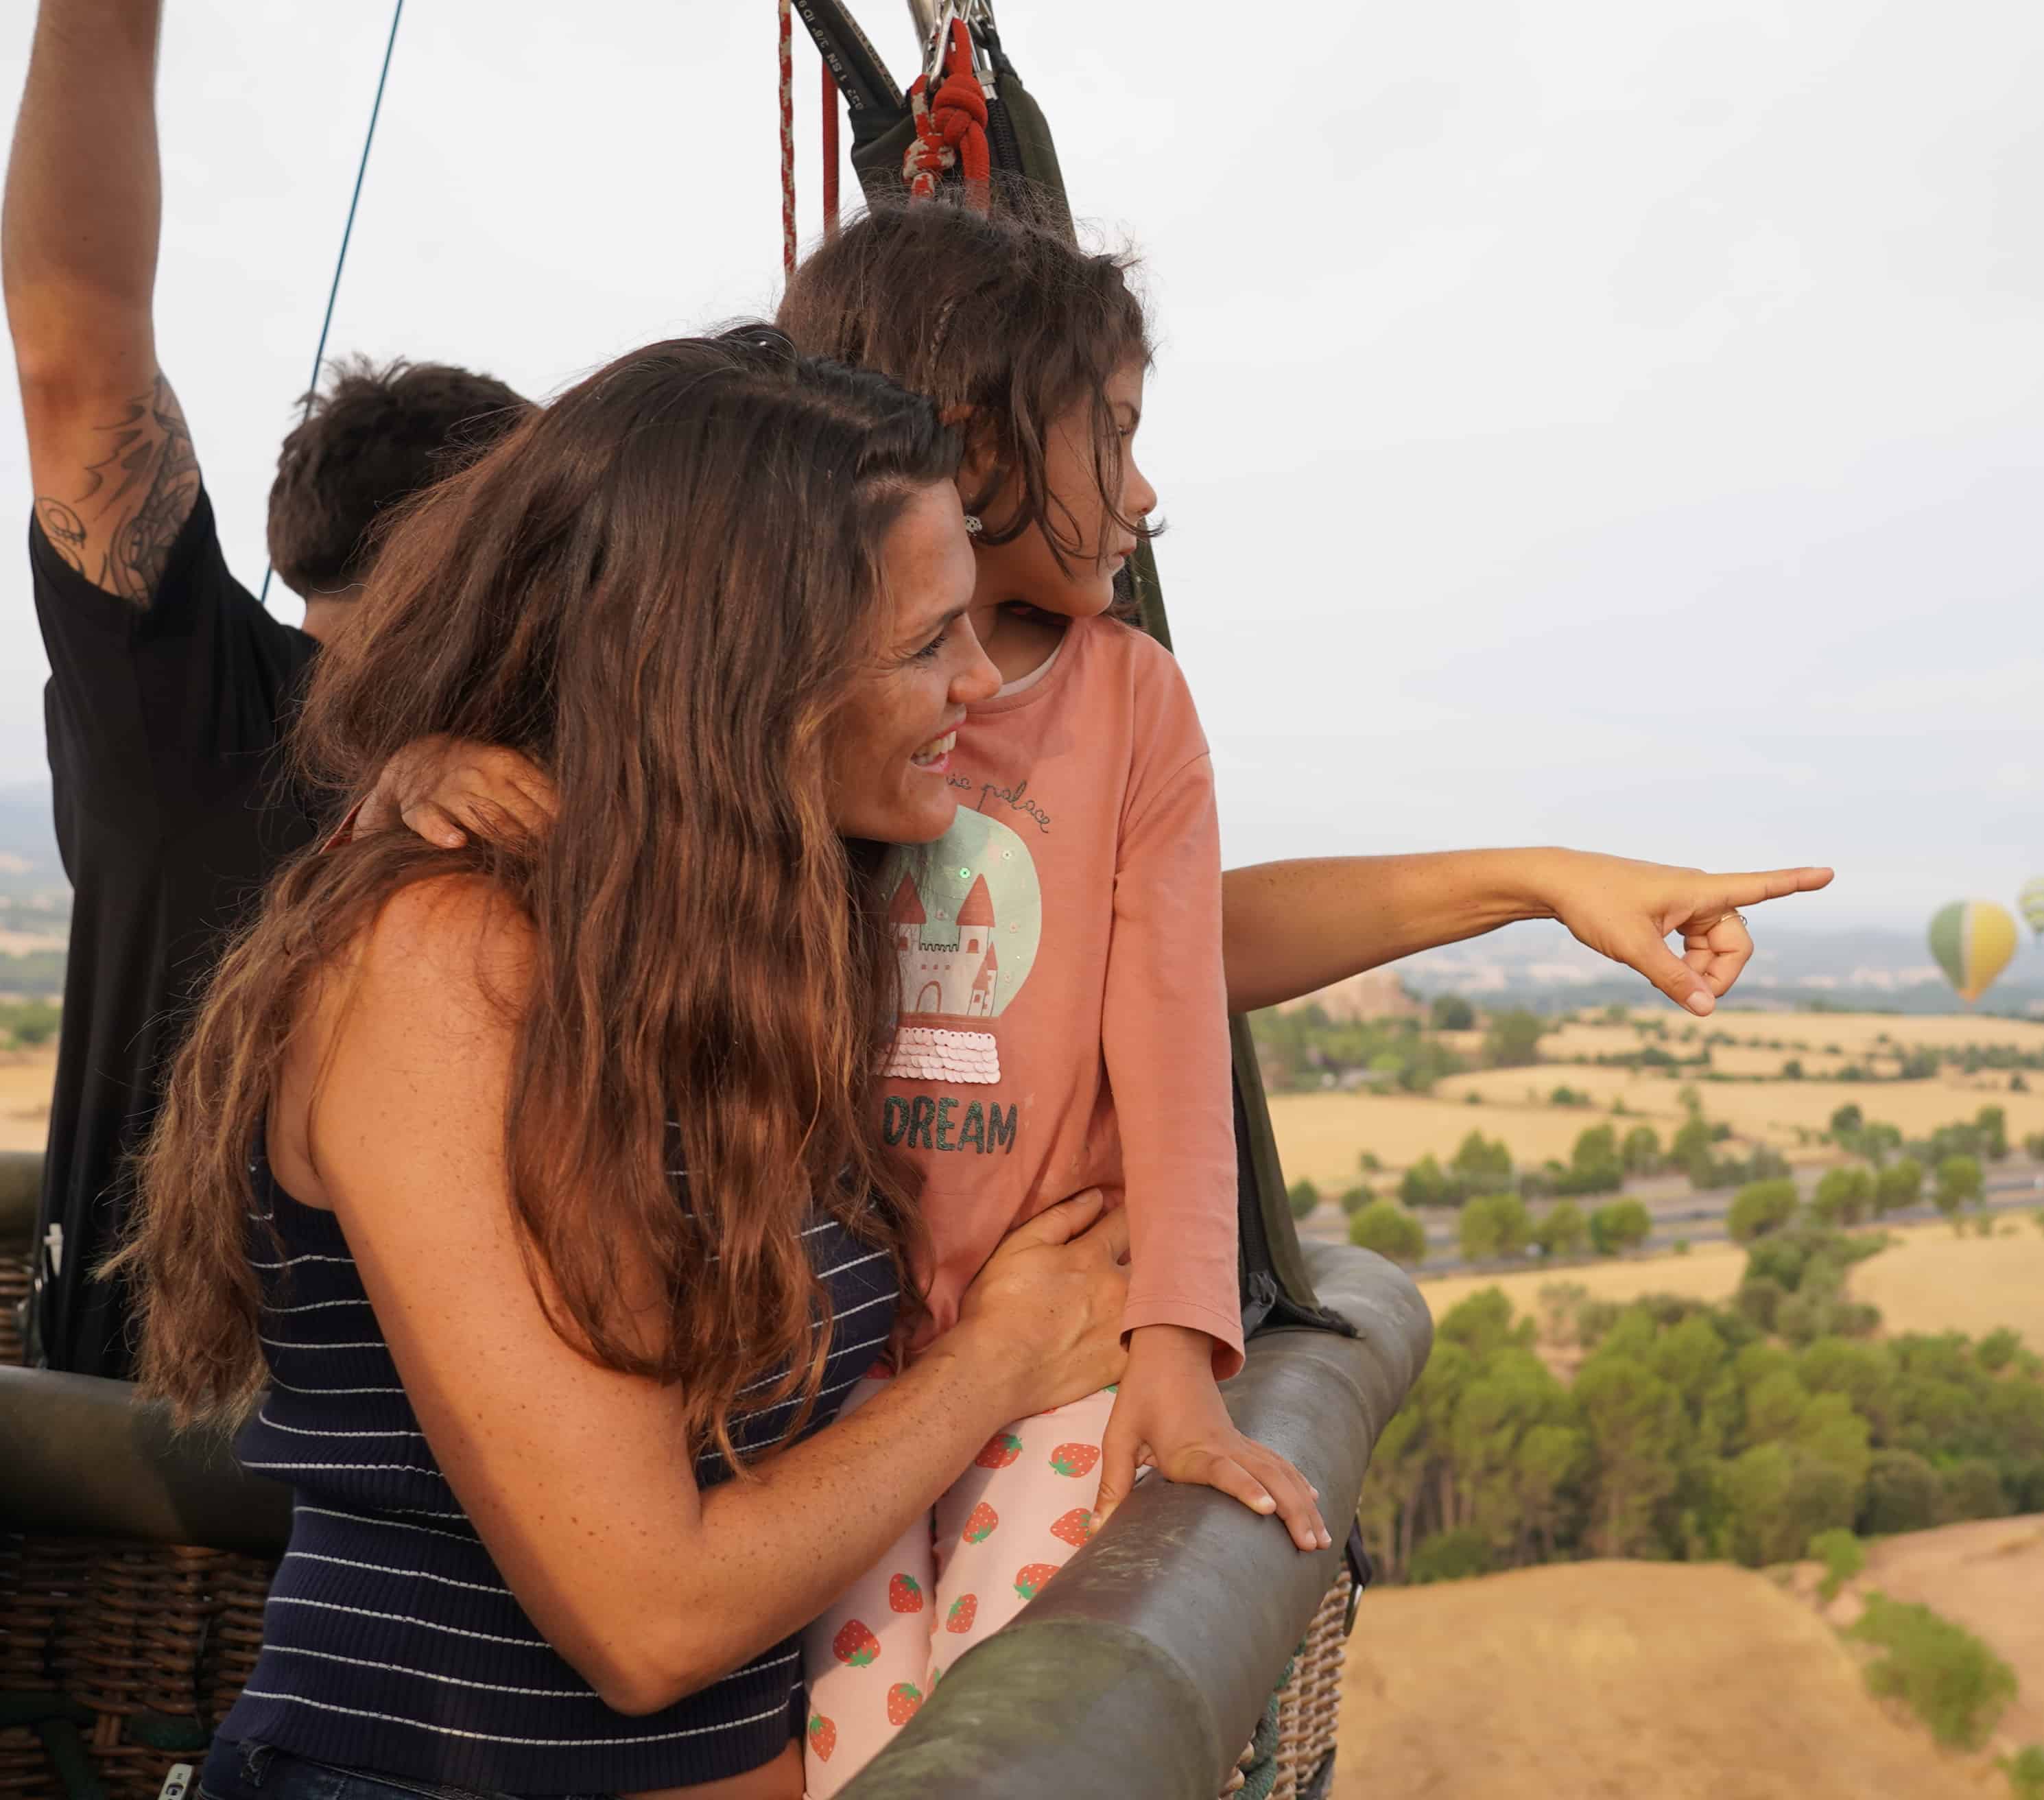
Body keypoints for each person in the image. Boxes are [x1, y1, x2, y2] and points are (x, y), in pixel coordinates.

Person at [381, 197, 1834, 1791]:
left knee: (1035, 1699)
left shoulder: (1121, 698)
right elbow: (632, 844)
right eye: (1116, 434)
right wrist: (449, 766)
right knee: (859, 1738)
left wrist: (1176, 1339)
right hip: (829, 1361)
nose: (1145, 492)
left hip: (1048, 1330)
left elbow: (1167, 997)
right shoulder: (770, 733)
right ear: (968, 443)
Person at [111, 328, 1145, 1800]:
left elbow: (1149, 927)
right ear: (734, 677)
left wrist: (1510, 885)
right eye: (928, 642)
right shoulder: (449, 964)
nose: (979, 679)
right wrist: (1001, 1360)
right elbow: (645, 1617)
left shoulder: (711, 951)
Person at [1, 0, 527, 1375]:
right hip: (169, 1485)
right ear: (453, 554)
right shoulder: (202, 721)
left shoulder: (543, 791)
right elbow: (74, 336)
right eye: (543, 542)